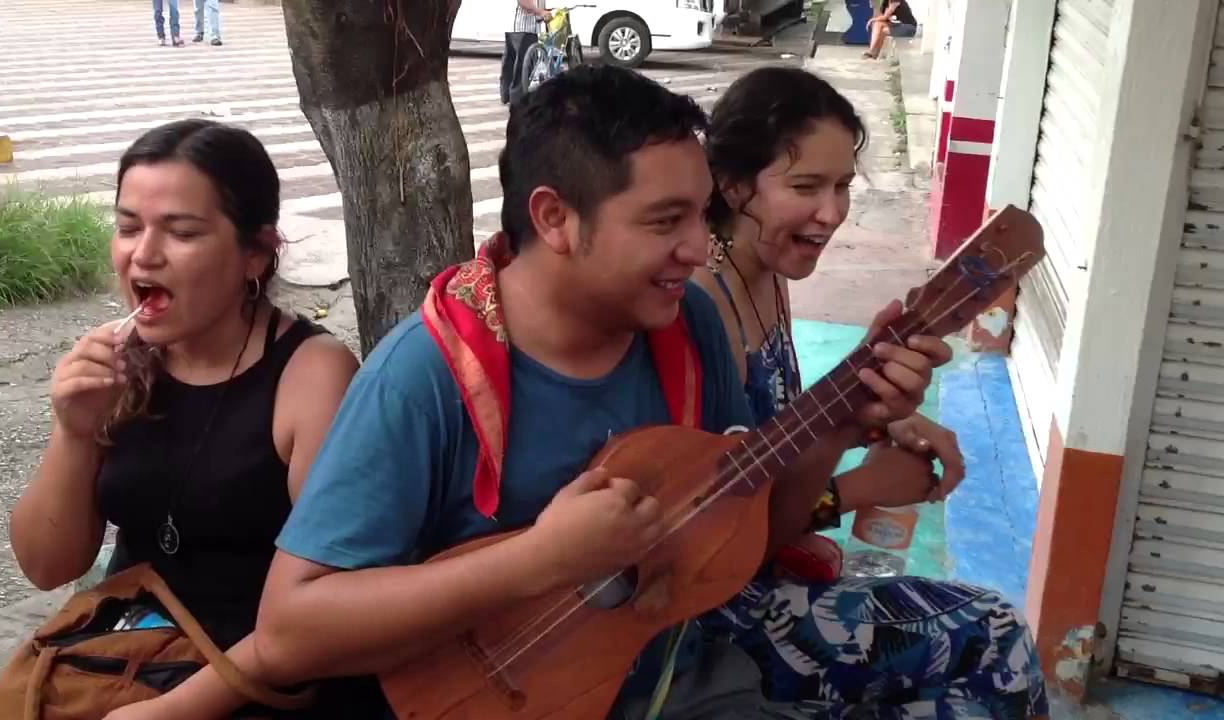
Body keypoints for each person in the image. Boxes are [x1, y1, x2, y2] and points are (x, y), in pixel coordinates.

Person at [247, 64, 950, 718]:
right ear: (554, 218)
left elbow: (749, 533)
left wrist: (838, 423)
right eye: (664, 220)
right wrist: (538, 561)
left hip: (671, 680)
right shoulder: (425, 375)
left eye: (703, 215)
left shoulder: (688, 325)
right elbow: (288, 633)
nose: (699, 247)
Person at [692, 65, 1050, 719]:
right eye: (806, 186)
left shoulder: (763, 277)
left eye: (843, 186)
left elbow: (780, 431)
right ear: (734, 185)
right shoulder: (700, 310)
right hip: (717, 622)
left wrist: (871, 417)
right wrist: (858, 487)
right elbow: (723, 532)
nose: (832, 213)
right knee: (995, 639)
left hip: (763, 582)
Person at [8, 119, 375, 719]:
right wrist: (73, 433)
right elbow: (48, 565)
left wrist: (176, 710)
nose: (143, 254)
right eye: (128, 227)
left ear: (255, 253)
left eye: (181, 232)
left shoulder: (313, 376)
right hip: (136, 650)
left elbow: (335, 607)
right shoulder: (124, 364)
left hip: (265, 678)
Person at [501, 0, 551, 104]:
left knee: (510, 62)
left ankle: (506, 95)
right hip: (524, 28)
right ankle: (516, 100)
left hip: (512, 26)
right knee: (522, 66)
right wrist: (541, 12)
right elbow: (524, 2)